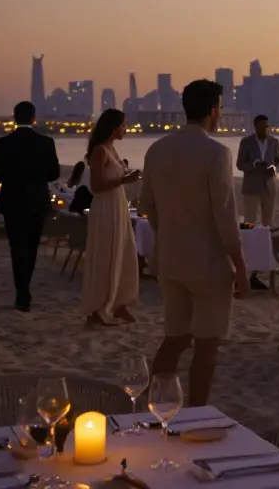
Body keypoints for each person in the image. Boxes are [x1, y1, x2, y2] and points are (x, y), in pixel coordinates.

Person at [141, 80, 249, 407]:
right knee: (206, 347)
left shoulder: (157, 149)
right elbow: (226, 217)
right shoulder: (216, 153)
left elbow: (147, 204)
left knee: (174, 339)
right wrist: (241, 267)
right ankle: (196, 413)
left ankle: (154, 406)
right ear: (214, 110)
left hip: (171, 259)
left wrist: (168, 232)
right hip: (208, 264)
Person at [0, 101, 61, 313]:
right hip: (36, 202)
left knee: (16, 247)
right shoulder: (46, 142)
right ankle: (24, 289)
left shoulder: (3, 143)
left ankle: (21, 290)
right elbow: (54, 174)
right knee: (31, 247)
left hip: (12, 201)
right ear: (33, 118)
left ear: (14, 117)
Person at [79, 108, 141, 327]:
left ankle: (120, 303)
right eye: (123, 125)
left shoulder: (112, 150)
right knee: (106, 255)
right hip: (105, 207)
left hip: (118, 205)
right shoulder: (100, 152)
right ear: (113, 127)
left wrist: (126, 177)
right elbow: (96, 186)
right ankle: (97, 309)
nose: (126, 129)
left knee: (125, 252)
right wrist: (124, 180)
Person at [236, 115, 279, 290]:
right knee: (249, 226)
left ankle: (263, 266)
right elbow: (240, 164)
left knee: (267, 227)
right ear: (255, 127)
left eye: (267, 126)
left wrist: (275, 169)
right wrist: (254, 165)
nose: (266, 129)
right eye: (262, 127)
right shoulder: (246, 142)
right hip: (251, 187)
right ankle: (247, 265)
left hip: (269, 187)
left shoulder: (274, 142)